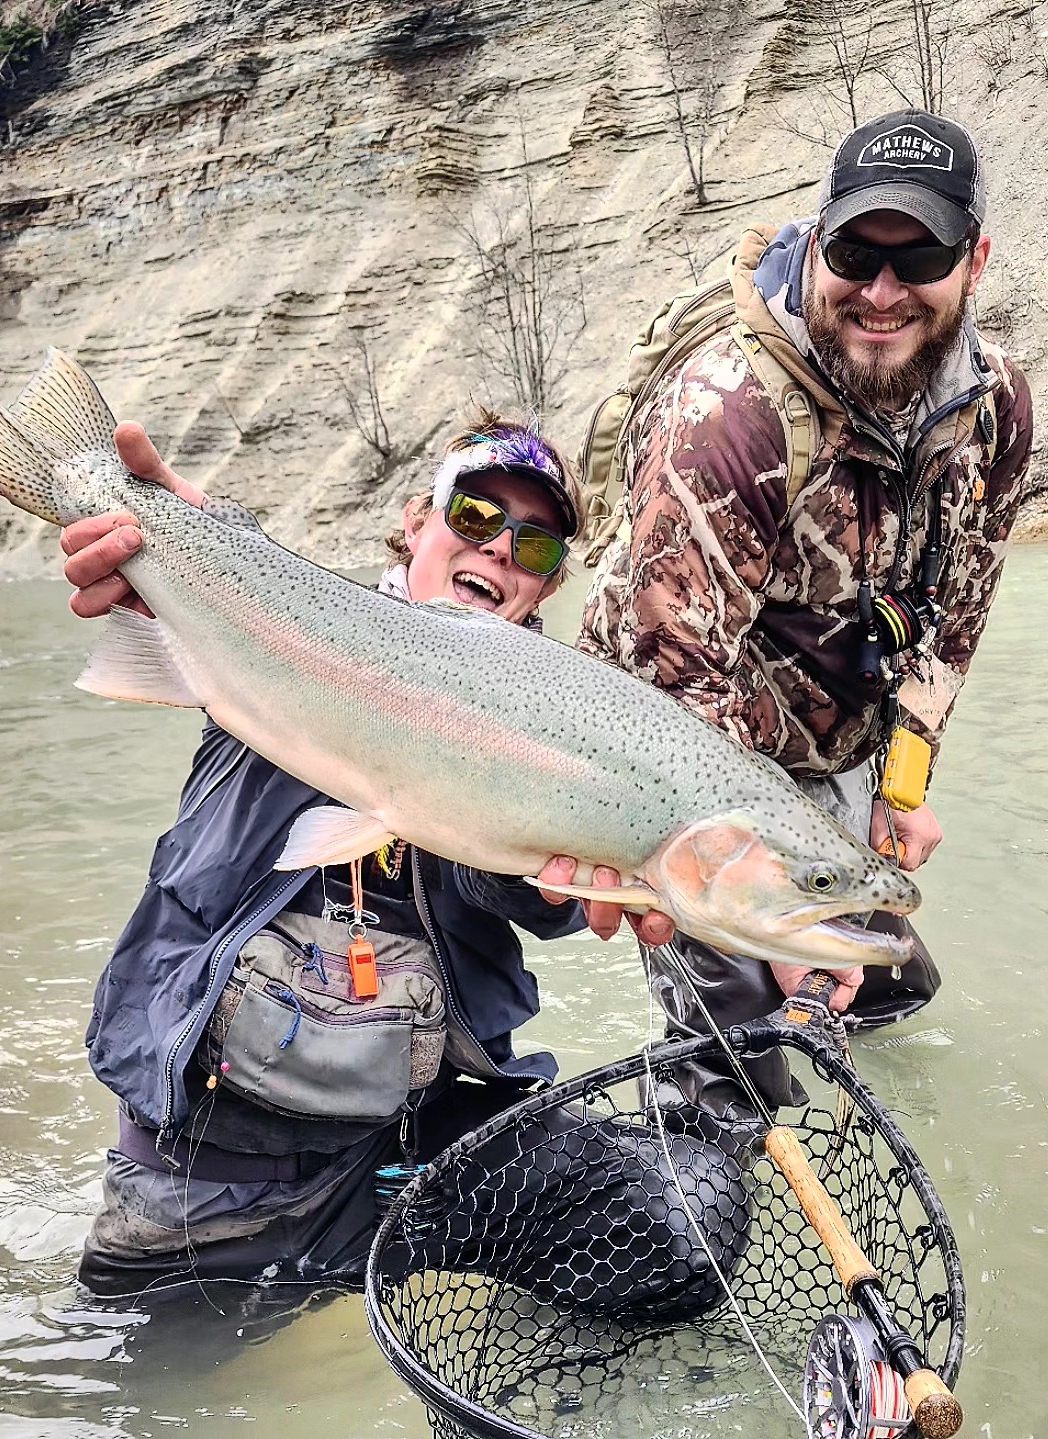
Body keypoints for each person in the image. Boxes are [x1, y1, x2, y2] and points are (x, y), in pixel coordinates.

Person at [60, 411, 741, 1303]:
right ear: (418, 521)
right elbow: (214, 588)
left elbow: (531, 900)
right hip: (208, 1187)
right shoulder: (297, 630)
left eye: (534, 545)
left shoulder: (561, 733)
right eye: (475, 515)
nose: (500, 548)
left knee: (682, 1231)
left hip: (409, 1158)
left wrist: (599, 865)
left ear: (546, 585)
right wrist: (184, 552)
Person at [577, 110, 1035, 1074]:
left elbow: (958, 615)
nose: (882, 292)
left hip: (839, 738)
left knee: (889, 988)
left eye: (920, 259)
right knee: (736, 1066)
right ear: (820, 241)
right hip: (676, 758)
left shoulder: (997, 409)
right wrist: (773, 909)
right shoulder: (727, 417)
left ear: (975, 262)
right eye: (856, 254)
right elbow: (670, 704)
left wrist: (903, 783)